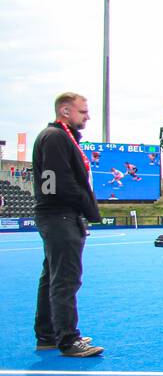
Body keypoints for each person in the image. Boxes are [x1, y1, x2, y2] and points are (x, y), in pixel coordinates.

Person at [32, 92, 103, 357]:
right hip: (60, 215)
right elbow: (56, 183)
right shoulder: (55, 138)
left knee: (52, 276)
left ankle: (49, 334)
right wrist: (86, 207)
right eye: (82, 112)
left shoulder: (60, 137)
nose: (87, 116)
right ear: (65, 111)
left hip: (59, 214)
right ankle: (68, 339)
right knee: (65, 279)